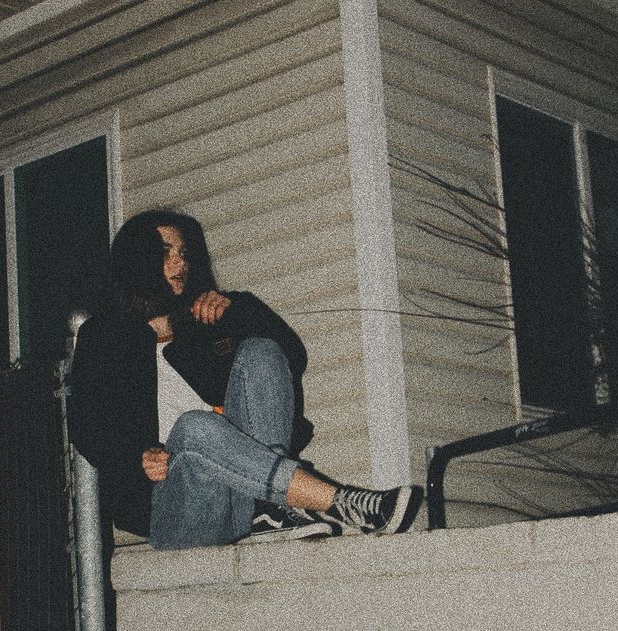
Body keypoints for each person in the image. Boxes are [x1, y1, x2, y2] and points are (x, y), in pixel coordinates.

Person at [69, 209, 422, 549]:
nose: (180, 264)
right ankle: (339, 501)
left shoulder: (210, 316)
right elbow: (87, 425)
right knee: (194, 427)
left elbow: (290, 357)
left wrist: (237, 312)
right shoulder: (104, 337)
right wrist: (136, 457)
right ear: (137, 261)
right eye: (165, 253)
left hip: (245, 496)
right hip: (176, 504)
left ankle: (272, 507)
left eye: (184, 253)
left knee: (261, 352)